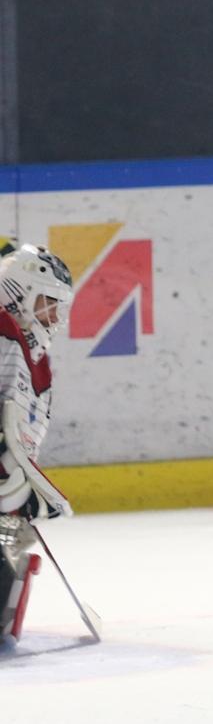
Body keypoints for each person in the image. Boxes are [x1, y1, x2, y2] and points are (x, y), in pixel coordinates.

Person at [0, 243, 75, 646]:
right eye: (49, 303)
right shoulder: (2, 331)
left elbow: (19, 433)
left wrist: (19, 485)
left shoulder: (37, 358)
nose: (56, 316)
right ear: (20, 293)